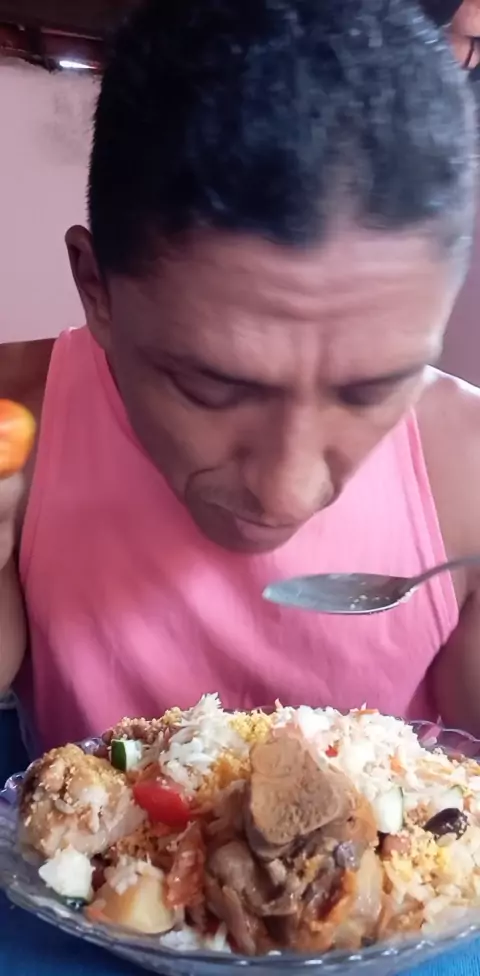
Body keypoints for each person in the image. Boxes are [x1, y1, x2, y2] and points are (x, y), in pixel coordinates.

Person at [0, 0, 479, 754]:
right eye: (212, 387)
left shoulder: (470, 472)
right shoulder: (14, 430)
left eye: (374, 388)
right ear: (97, 289)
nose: (285, 493)